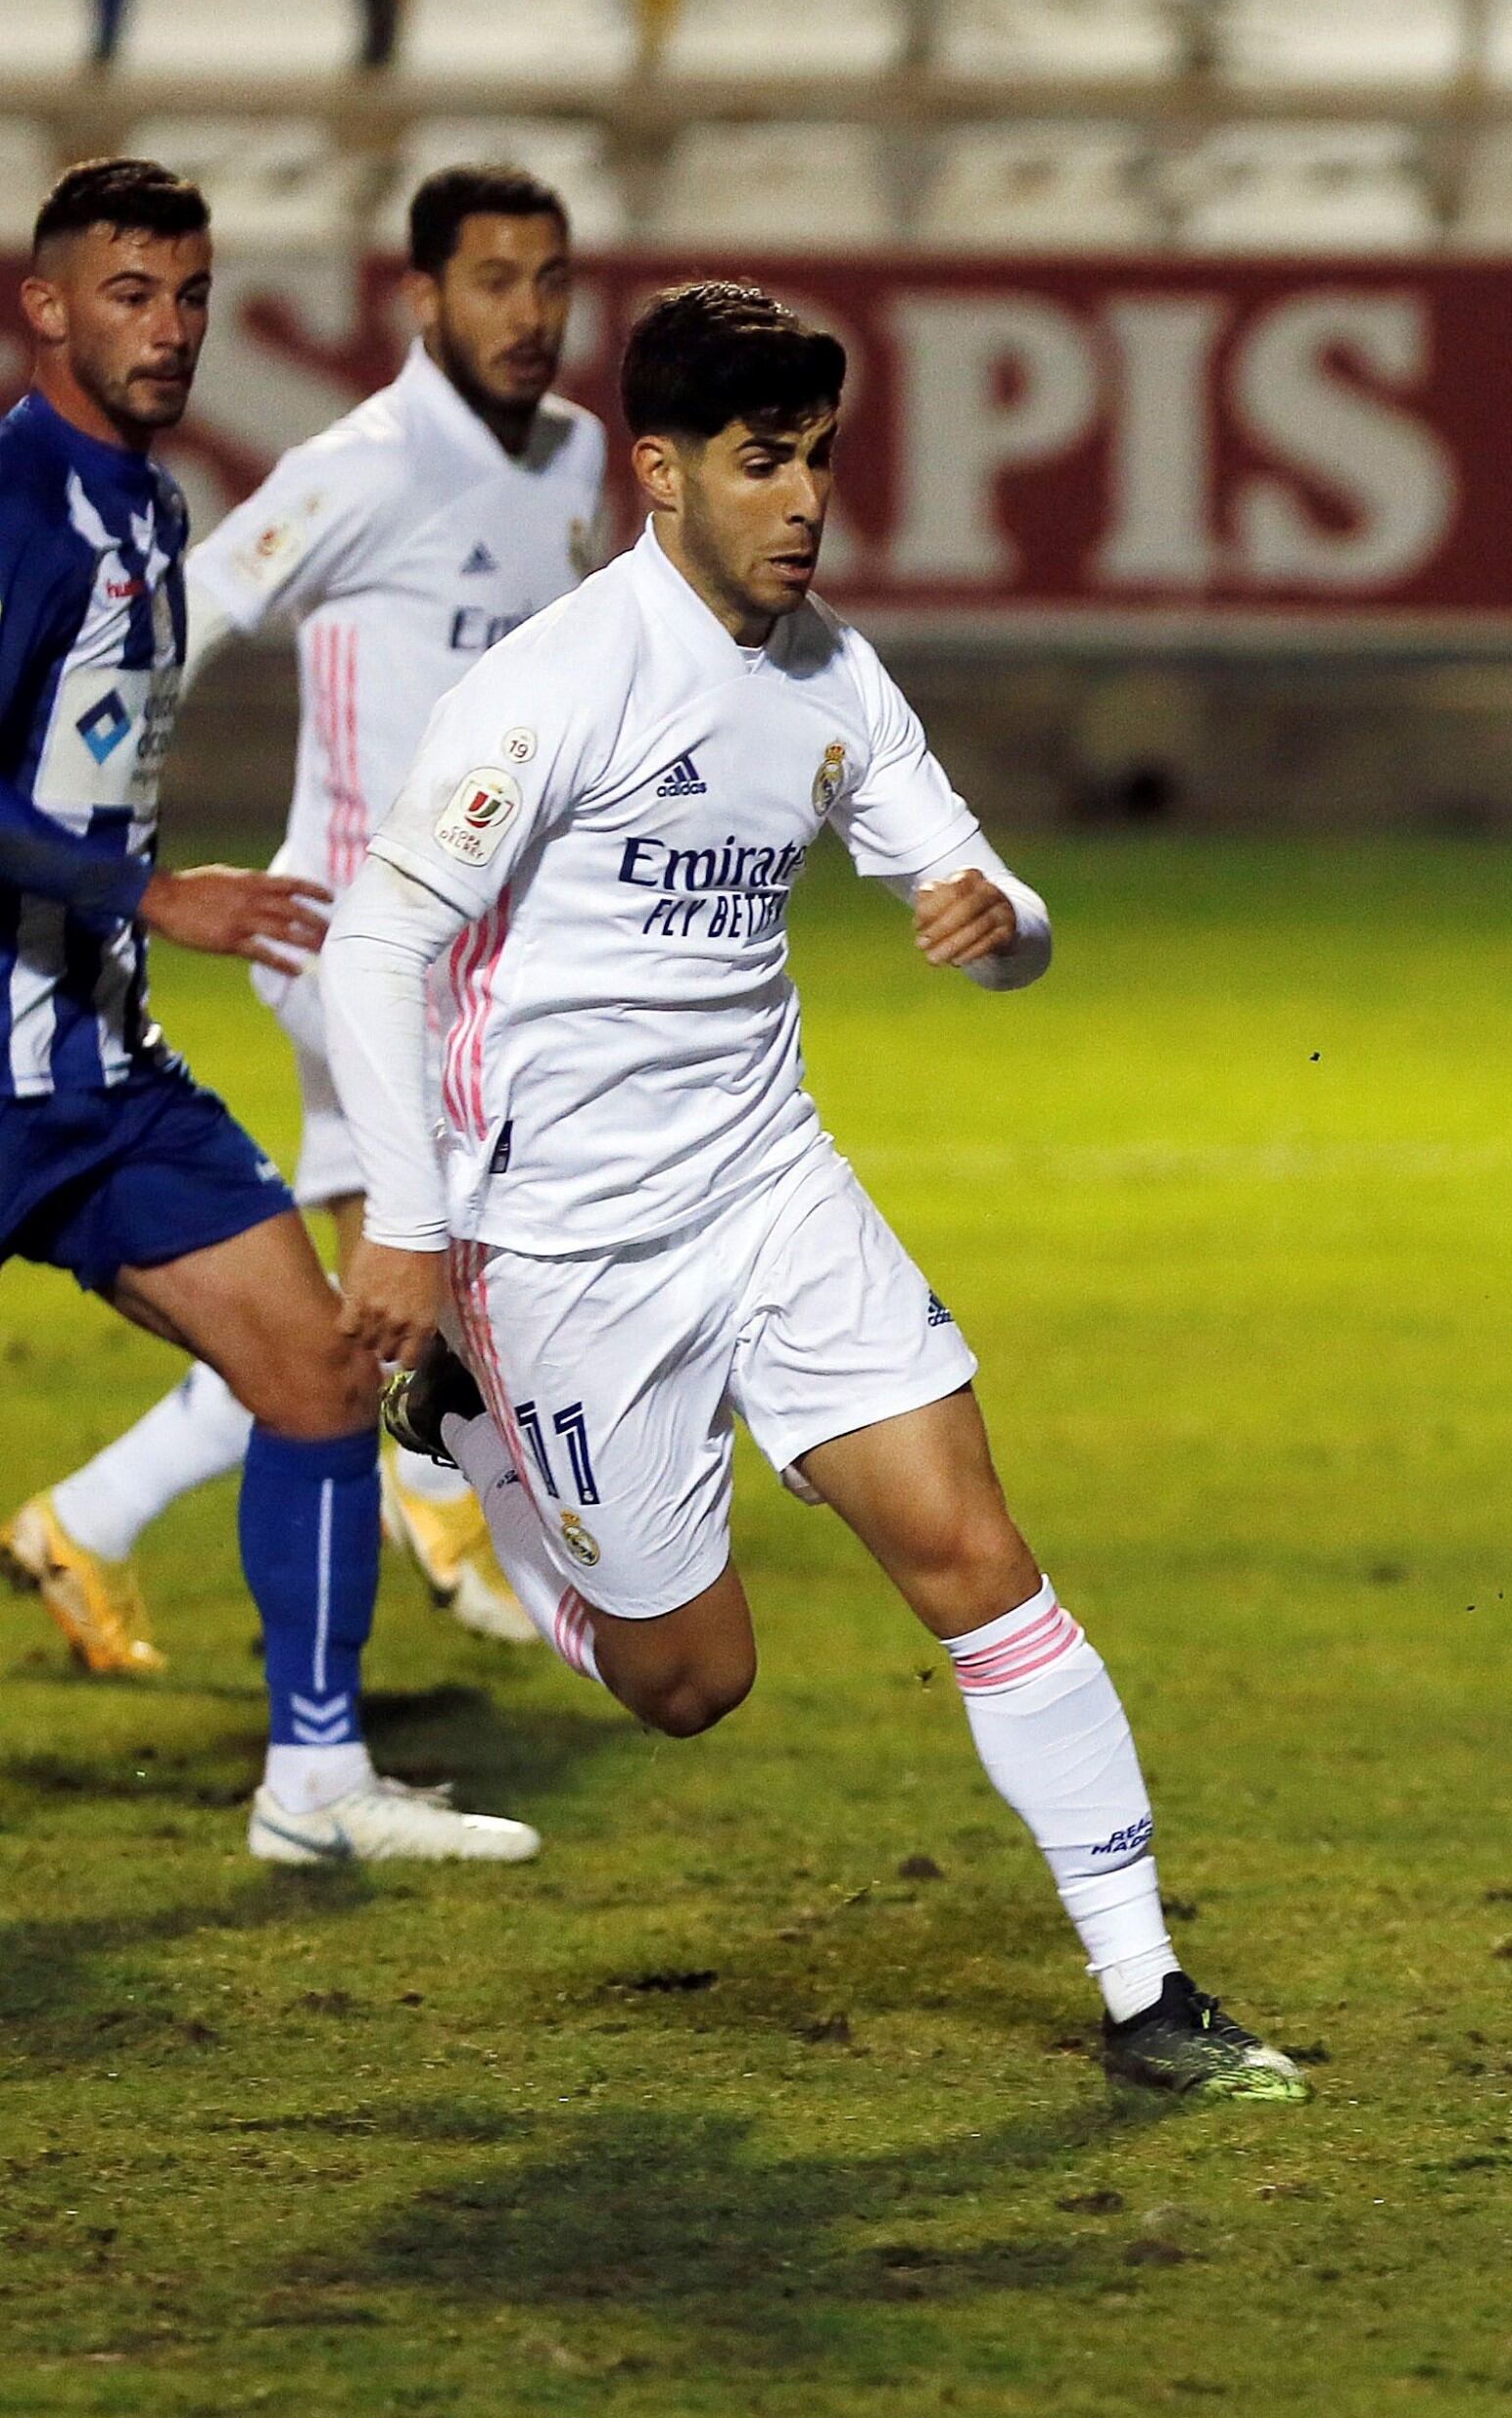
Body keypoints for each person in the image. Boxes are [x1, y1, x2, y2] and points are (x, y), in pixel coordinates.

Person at [319, 279, 1301, 2100]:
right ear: (661, 472)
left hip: (775, 1189)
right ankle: (460, 1448)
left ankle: (1148, 1992)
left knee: (976, 1552)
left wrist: (1001, 925)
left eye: (824, 464)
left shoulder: (836, 676)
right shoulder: (552, 687)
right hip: (568, 1245)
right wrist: (406, 1221)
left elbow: (1010, 921)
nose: (804, 505)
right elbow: (381, 943)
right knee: (692, 1685)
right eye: (764, 465)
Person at [0, 158, 533, 1861]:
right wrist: (147, 891)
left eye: (191, 294)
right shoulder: (15, 511)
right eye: (128, 295)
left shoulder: (150, 515)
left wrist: (133, 904)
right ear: (47, 307)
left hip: (100, 1071)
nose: (169, 330)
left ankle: (314, 1785)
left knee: (312, 1377)